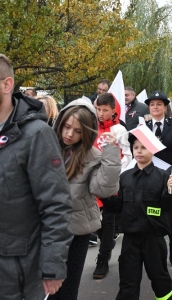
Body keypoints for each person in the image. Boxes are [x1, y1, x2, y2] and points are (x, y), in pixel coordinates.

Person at [0, 53, 73, 299]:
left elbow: (56, 204)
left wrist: (52, 267)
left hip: (18, 272)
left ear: (7, 84)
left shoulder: (36, 135)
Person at [49, 96, 121, 300]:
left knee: (67, 290)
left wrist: (112, 154)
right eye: (67, 127)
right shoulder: (46, 148)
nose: (69, 134)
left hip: (76, 232)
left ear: (87, 131)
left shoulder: (94, 155)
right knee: (44, 289)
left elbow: (103, 189)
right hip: (46, 231)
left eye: (78, 131)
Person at [102, 134, 172, 300]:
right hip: (131, 239)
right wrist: (104, 195)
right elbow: (117, 207)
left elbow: (168, 207)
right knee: (128, 280)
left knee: (160, 279)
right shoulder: (125, 177)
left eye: (143, 147)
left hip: (154, 239)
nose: (139, 151)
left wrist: (171, 191)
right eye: (136, 147)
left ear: (153, 150)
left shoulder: (164, 176)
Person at [92, 92, 132, 279]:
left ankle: (103, 259)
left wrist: (115, 174)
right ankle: (106, 242)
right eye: (98, 109)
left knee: (108, 221)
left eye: (105, 110)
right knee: (92, 221)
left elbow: (127, 155)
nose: (101, 113)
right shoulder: (91, 126)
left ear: (113, 110)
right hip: (91, 181)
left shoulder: (119, 130)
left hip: (111, 181)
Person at [145, 90, 172, 265]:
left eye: (159, 104)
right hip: (149, 179)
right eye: (152, 104)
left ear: (165, 107)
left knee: (170, 217)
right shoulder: (143, 128)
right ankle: (156, 249)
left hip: (171, 178)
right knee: (153, 214)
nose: (155, 107)